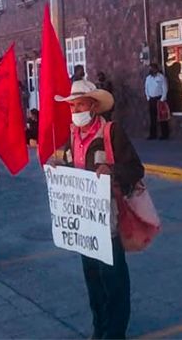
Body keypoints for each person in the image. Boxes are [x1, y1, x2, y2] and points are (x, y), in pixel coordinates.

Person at [54, 80, 144, 339]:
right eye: (72, 106)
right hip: (83, 221)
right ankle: (100, 328)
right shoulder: (72, 135)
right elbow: (73, 172)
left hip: (109, 219)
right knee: (92, 278)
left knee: (113, 278)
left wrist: (112, 171)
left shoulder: (110, 132)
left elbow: (136, 168)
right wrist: (58, 167)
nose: (75, 110)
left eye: (80, 104)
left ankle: (116, 332)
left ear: (93, 105)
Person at [144, 63, 169, 139]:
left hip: (159, 99)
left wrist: (162, 99)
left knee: (162, 117)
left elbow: (165, 88)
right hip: (152, 100)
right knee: (152, 118)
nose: (151, 70)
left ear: (156, 69)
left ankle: (164, 134)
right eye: (150, 69)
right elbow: (146, 88)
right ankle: (153, 134)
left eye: (152, 68)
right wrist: (148, 97)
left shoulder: (161, 77)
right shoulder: (148, 78)